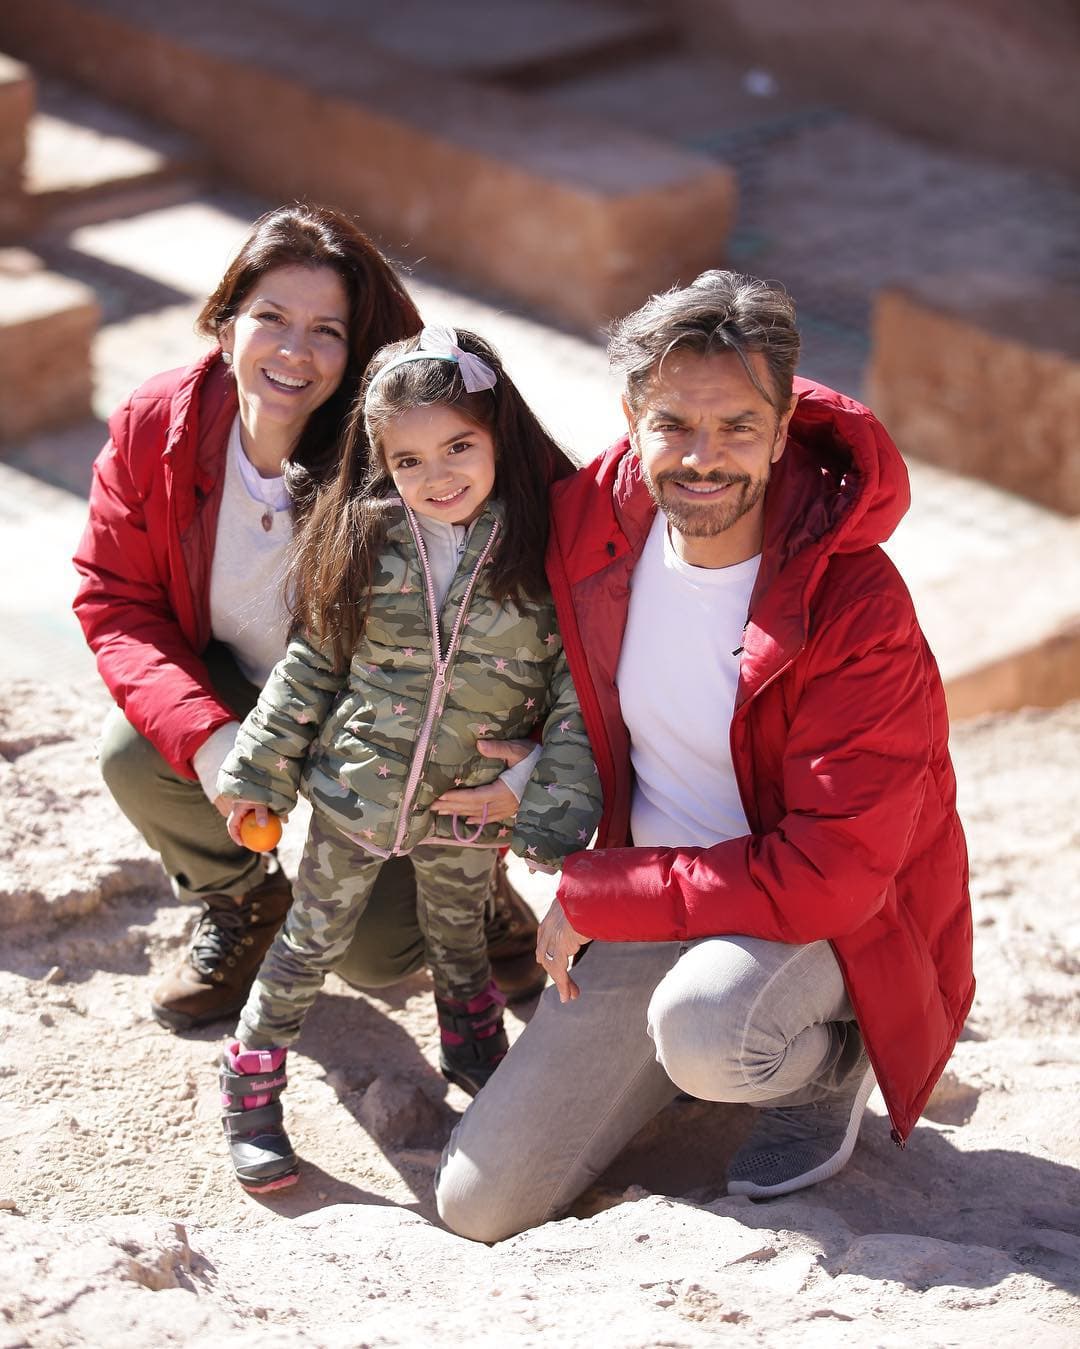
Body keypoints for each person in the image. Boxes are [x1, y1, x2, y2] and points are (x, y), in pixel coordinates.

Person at [435, 270, 974, 1242]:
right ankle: (688, 1050)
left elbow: (829, 872)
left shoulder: (856, 605)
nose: (702, 458)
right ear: (633, 415)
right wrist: (545, 767)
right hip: (660, 899)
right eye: (675, 423)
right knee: (478, 1201)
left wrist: (601, 892)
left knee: (709, 1033)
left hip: (822, 918)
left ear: (781, 428)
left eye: (736, 427)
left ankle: (828, 1060)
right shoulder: (599, 520)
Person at [72, 205, 543, 1035]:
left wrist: (538, 752)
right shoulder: (159, 426)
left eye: (327, 330)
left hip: (391, 724)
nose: (294, 352)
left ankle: (474, 892)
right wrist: (212, 743)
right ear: (224, 322)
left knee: (374, 957)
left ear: (356, 349)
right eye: (271, 319)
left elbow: (552, 546)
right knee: (136, 755)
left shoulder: (402, 446)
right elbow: (116, 599)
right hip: (250, 692)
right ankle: (245, 901)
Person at [214, 325, 603, 1192]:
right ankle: (252, 1072)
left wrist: (528, 781)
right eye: (410, 460)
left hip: (471, 801)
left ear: (500, 433)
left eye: (460, 445)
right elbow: (311, 664)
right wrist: (258, 770)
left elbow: (578, 687)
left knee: (459, 928)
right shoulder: (364, 541)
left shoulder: (545, 555)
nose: (440, 476)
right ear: (381, 465)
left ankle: (471, 1044)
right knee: (311, 935)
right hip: (359, 789)